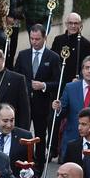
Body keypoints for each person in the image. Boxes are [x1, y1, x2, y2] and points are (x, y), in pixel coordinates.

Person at [15, 25, 61, 157]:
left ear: (45, 38)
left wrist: (44, 85)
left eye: (37, 39)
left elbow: (59, 82)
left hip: (42, 104)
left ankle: (39, 164)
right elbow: (15, 77)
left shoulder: (53, 57)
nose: (34, 42)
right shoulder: (23, 55)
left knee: (40, 135)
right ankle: (21, 160)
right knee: (22, 133)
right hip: (24, 103)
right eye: (32, 39)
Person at [54, 57, 90, 157]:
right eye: (86, 68)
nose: (89, 71)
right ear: (82, 70)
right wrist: (58, 108)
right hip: (72, 137)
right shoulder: (70, 87)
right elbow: (63, 111)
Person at [51, 12, 90, 87]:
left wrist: (80, 78)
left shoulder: (85, 44)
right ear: (66, 24)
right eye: (70, 23)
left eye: (76, 23)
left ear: (80, 24)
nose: (73, 26)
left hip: (74, 82)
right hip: (57, 81)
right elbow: (52, 59)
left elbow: (86, 65)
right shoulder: (58, 40)